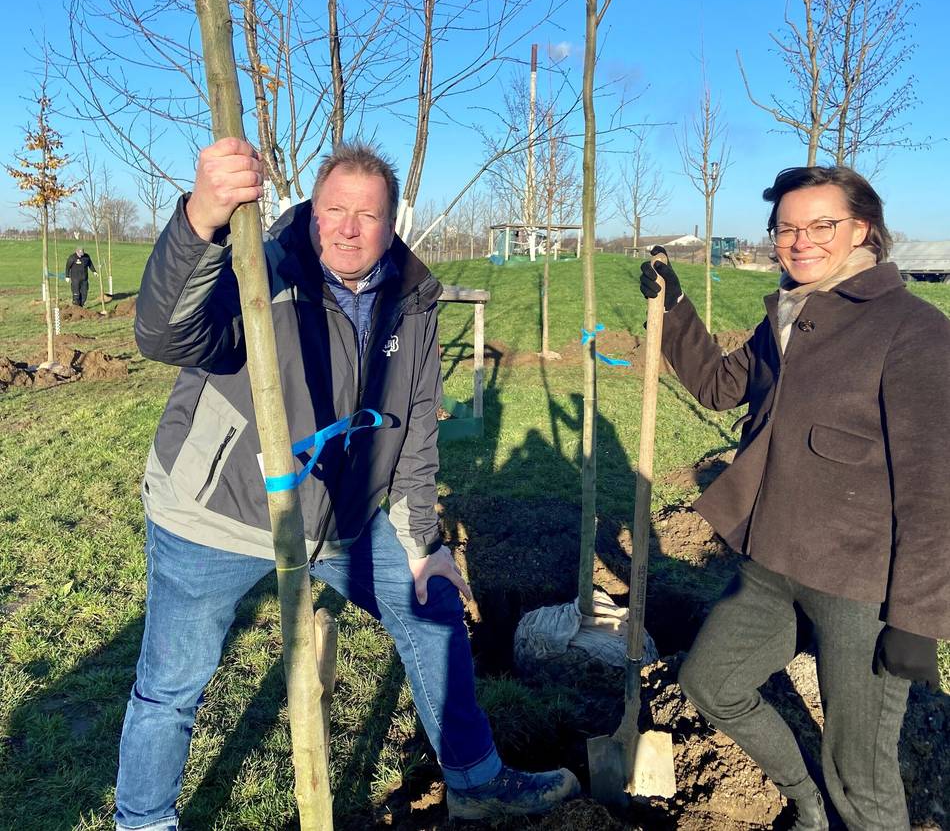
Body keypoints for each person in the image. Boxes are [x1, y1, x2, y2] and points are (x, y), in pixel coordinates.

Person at [115, 138, 579, 831]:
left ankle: (475, 780)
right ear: (313, 210)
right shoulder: (261, 269)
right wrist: (200, 218)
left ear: (393, 223)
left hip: (342, 520)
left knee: (432, 604)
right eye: (335, 209)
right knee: (172, 684)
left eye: (368, 215)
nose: (349, 229)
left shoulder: (412, 302)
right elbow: (164, 334)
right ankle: (144, 821)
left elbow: (415, 427)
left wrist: (422, 544)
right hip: (218, 510)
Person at [638, 166, 949, 831]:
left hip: (858, 586)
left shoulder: (912, 329)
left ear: (862, 230)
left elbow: (934, 486)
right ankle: (807, 802)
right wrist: (675, 306)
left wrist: (917, 616)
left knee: (860, 776)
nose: (800, 241)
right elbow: (721, 387)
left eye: (820, 225)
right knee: (710, 684)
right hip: (772, 565)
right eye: (786, 228)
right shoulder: (790, 315)